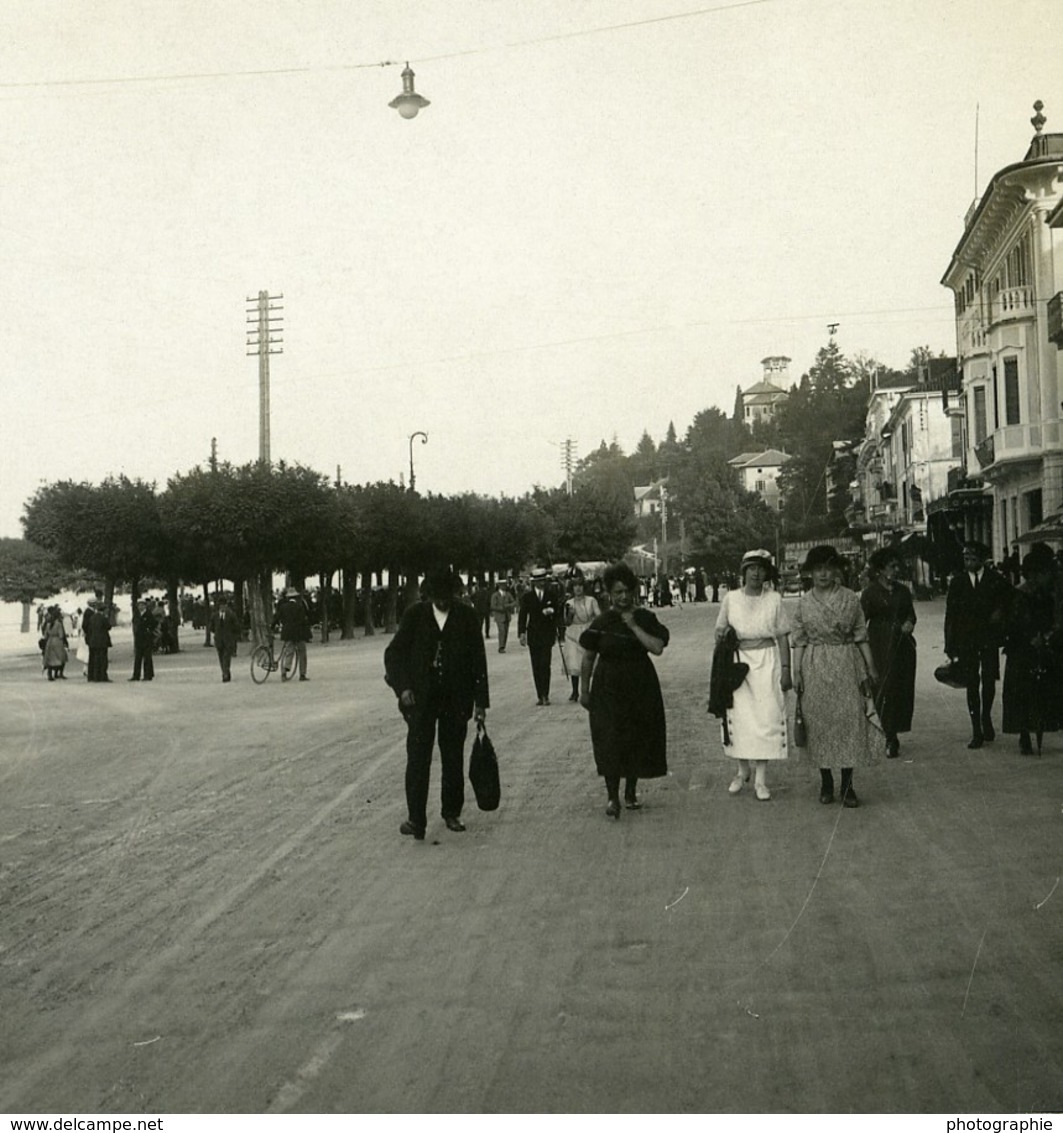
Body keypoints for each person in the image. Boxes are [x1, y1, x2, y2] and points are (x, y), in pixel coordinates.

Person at [384, 566, 489, 840]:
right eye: (437, 597)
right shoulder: (415, 616)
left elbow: (479, 661)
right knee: (418, 759)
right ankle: (416, 820)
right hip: (421, 701)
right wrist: (403, 687)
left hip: (456, 700)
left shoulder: (467, 617)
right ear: (428, 595)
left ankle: (451, 812)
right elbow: (393, 654)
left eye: (447, 597)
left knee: (453, 757)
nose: (442, 602)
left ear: (455, 594)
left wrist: (480, 702)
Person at [791, 545, 883, 807]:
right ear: (810, 573)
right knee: (819, 723)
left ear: (836, 570)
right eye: (818, 568)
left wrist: (871, 666)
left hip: (846, 664)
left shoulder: (850, 599)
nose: (823, 574)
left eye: (828, 568)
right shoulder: (803, 604)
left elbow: (860, 635)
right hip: (815, 666)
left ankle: (847, 785)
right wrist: (797, 673)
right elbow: (798, 641)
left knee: (848, 722)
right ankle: (826, 782)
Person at [578, 561, 669, 818]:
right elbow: (588, 657)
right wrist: (584, 690)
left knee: (635, 738)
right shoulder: (602, 622)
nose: (623, 596)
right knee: (609, 738)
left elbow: (657, 648)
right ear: (609, 593)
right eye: (617, 592)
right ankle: (612, 798)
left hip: (640, 684)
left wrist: (633, 626)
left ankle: (630, 793)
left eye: (627, 591)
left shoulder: (644, 617)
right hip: (607, 686)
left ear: (634, 591)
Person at [713, 549, 791, 801]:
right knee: (740, 717)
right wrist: (725, 639)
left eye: (761, 569)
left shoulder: (775, 599)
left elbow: (781, 636)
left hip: (767, 662)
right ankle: (741, 770)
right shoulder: (731, 598)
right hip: (738, 664)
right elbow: (720, 630)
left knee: (766, 716)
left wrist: (786, 671)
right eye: (751, 568)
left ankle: (761, 779)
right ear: (744, 572)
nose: (756, 573)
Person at [944, 541, 1012, 749]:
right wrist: (949, 644)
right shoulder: (957, 582)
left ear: (982, 560)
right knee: (971, 683)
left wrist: (1000, 613)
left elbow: (1010, 602)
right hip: (966, 640)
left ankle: (986, 717)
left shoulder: (996, 580)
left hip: (989, 639)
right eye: (966, 558)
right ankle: (976, 731)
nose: (968, 562)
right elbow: (951, 615)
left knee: (989, 680)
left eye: (973, 558)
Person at [860, 548, 917, 759]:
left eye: (897, 565)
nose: (896, 569)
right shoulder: (870, 593)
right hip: (880, 645)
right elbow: (861, 622)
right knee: (884, 688)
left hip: (902, 647)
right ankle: (889, 735)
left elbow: (911, 614)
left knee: (900, 689)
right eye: (891, 566)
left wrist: (910, 622)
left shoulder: (903, 591)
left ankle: (894, 731)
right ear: (881, 569)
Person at [1002, 550, 1060, 755]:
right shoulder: (1019, 593)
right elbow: (1013, 623)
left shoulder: (1048, 595)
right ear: (1034, 573)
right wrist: (1030, 638)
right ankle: (1024, 734)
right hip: (1022, 651)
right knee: (1023, 693)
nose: (1049, 577)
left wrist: (1046, 636)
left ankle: (1041, 728)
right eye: (1045, 573)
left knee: (1043, 692)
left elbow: (1053, 619)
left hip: (1042, 647)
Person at [518, 567, 562, 705]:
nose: (542, 583)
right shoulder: (528, 597)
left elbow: (558, 614)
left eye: (543, 580)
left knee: (545, 664)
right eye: (539, 581)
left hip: (547, 634)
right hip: (533, 635)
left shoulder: (551, 595)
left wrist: (552, 611)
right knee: (536, 665)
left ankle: (546, 694)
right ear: (534, 582)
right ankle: (539, 695)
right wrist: (522, 633)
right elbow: (523, 615)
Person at [560, 577, 601, 702]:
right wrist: (570, 615)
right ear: (572, 588)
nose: (578, 588)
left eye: (580, 585)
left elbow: (599, 616)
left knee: (589, 661)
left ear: (584, 587)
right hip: (573, 633)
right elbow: (565, 622)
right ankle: (574, 691)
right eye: (575, 586)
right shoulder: (569, 603)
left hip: (588, 632)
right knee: (574, 661)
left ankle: (588, 689)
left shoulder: (591, 601)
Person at [273, 587, 312, 681]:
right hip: (299, 633)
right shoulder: (299, 606)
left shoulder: (283, 607)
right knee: (302, 652)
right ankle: (302, 674)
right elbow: (304, 620)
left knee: (288, 652)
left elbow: (277, 618)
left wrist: (272, 626)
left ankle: (285, 671)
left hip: (287, 632)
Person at [210, 593, 240, 683]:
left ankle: (225, 674)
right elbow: (211, 627)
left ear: (226, 605)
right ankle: (226, 672)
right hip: (219, 640)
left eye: (223, 605)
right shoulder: (215, 616)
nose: (222, 607)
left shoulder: (231, 615)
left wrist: (233, 636)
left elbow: (236, 626)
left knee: (226, 657)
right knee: (221, 657)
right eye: (220, 605)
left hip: (228, 640)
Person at [83, 601, 112, 682]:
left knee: (94, 659)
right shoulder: (103, 618)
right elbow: (108, 627)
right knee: (103, 659)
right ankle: (102, 676)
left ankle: (93, 676)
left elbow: (88, 629)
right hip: (102, 641)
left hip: (93, 641)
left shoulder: (92, 618)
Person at [129, 598, 157, 681]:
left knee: (147, 658)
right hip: (139, 638)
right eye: (139, 605)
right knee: (138, 658)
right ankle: (136, 675)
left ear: (145, 606)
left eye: (142, 605)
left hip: (147, 638)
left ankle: (148, 675)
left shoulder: (148, 614)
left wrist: (149, 630)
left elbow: (154, 623)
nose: (140, 607)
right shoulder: (137, 614)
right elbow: (134, 622)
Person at [40, 606, 69, 681]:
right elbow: (61, 635)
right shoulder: (58, 624)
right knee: (62, 657)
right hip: (57, 641)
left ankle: (50, 674)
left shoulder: (48, 624)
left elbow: (45, 634)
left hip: (50, 641)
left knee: (50, 658)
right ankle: (59, 673)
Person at [489, 579, 516, 653]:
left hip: (507, 616)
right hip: (499, 616)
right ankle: (501, 647)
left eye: (505, 584)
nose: (504, 586)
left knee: (506, 631)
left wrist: (508, 606)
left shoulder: (508, 594)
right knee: (502, 631)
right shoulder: (495, 595)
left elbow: (514, 602)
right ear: (499, 586)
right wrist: (500, 608)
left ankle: (503, 645)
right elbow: (492, 606)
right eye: (503, 584)